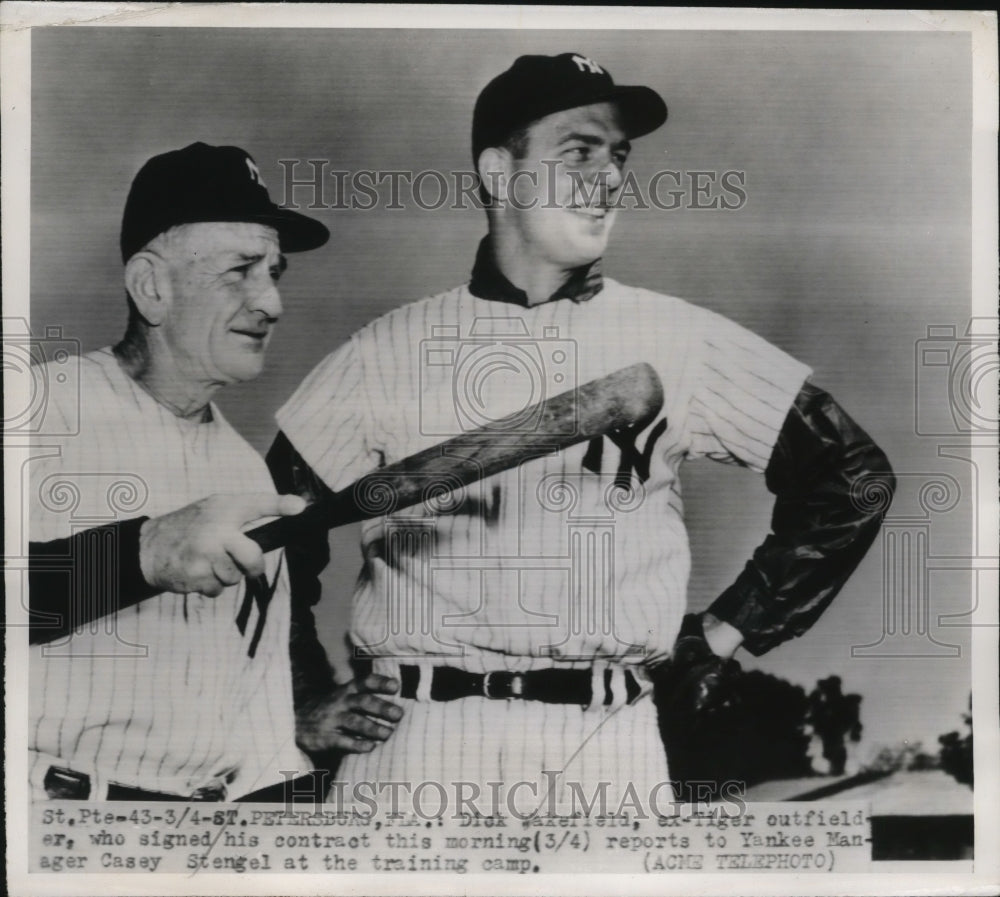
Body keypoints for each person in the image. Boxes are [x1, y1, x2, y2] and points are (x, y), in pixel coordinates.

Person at [273, 53, 895, 814]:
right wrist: (304, 694)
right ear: (500, 174)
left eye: (618, 157)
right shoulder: (386, 350)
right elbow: (264, 543)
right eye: (578, 153)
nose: (607, 178)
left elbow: (853, 475)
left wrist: (729, 630)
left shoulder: (676, 339)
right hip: (414, 737)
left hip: (607, 743)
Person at [27, 142, 402, 802]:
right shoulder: (33, 414)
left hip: (200, 832)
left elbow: (252, 711)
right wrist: (144, 552)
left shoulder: (246, 474)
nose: (272, 303)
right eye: (241, 271)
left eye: (275, 273)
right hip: (55, 823)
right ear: (152, 286)